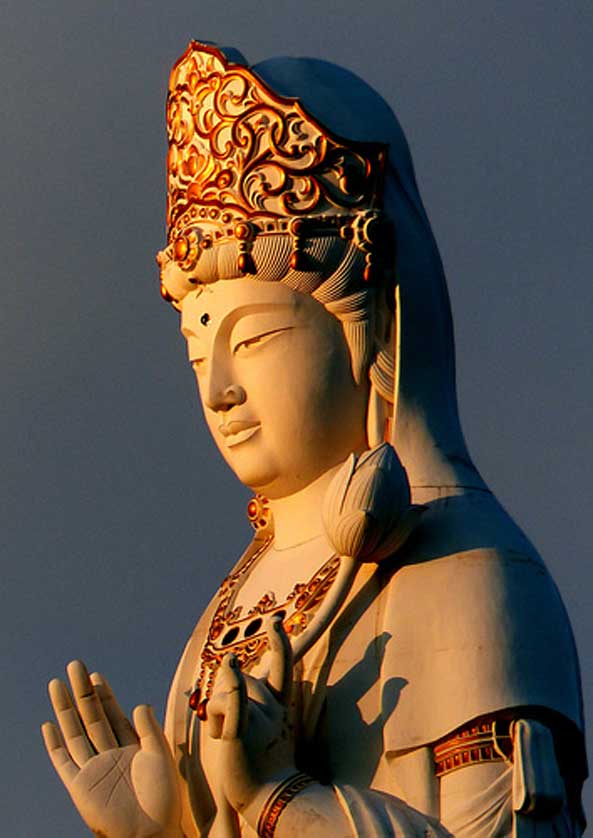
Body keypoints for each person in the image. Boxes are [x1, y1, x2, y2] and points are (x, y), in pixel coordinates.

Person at [42, 42, 586, 837]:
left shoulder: (467, 574)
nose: (218, 390)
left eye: (255, 339)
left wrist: (278, 800)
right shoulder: (235, 600)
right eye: (198, 355)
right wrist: (162, 828)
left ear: (368, 332)